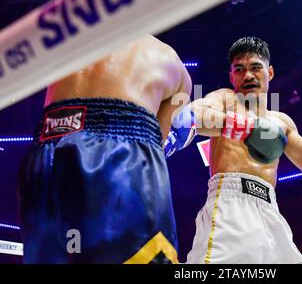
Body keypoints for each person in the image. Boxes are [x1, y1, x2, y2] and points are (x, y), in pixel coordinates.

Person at [18, 34, 192, 264]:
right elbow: (157, 142)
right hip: (120, 153)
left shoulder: (64, 41)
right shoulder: (170, 60)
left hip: (46, 149)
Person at [169, 36, 302, 263]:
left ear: (269, 73)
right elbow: (190, 116)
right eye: (239, 70)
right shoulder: (225, 98)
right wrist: (247, 128)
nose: (248, 75)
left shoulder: (282, 122)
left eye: (255, 68)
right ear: (231, 76)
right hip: (230, 204)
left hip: (270, 210)